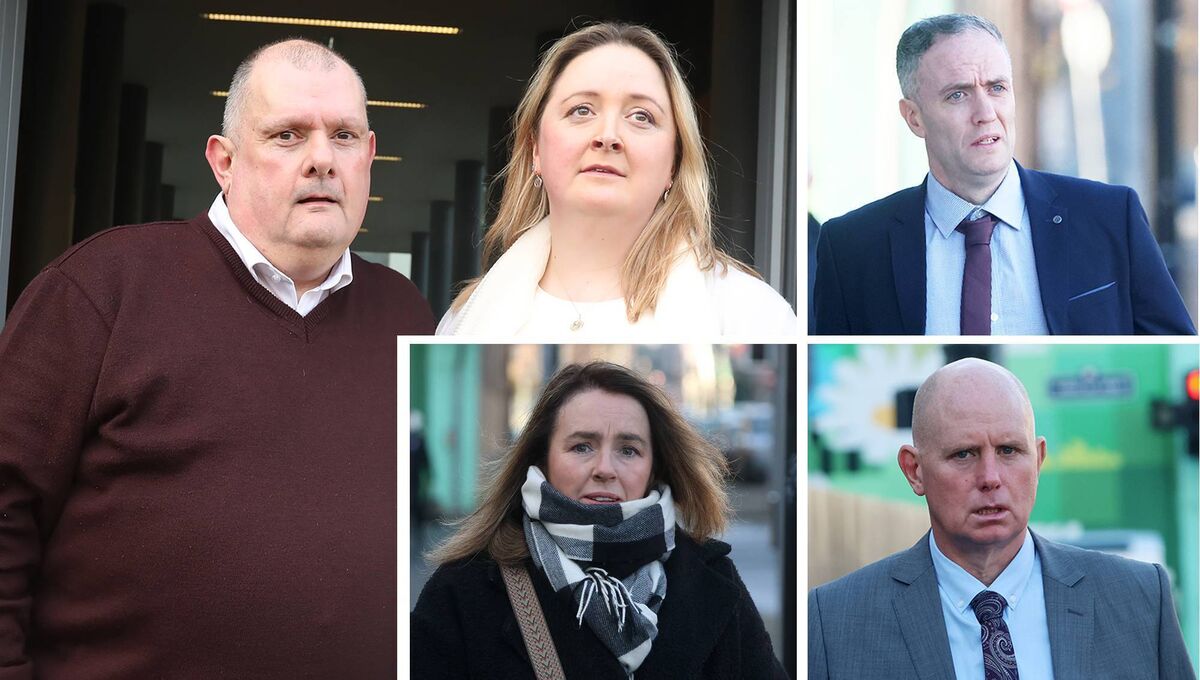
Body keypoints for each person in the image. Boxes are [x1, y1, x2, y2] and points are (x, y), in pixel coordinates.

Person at [0, 39, 433, 677]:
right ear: (223, 162)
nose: (322, 159)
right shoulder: (104, 288)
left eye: (344, 136)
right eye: (288, 135)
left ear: (370, 156)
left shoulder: (405, 314)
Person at [808, 358, 1195, 679]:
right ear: (914, 471)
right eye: (964, 454)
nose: (990, 478)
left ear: (1038, 460)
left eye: (1009, 450)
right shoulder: (834, 622)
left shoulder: (1141, 598)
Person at [813, 13, 1195, 336]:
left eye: (997, 88)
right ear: (914, 117)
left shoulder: (1111, 216)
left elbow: (1176, 348)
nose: (985, 112)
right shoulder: (850, 247)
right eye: (957, 95)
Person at [411, 361, 788, 678]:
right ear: (541, 460)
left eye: (628, 449)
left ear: (655, 466)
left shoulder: (714, 581)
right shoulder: (464, 588)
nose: (605, 469)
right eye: (582, 446)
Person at [437, 22, 796, 337]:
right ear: (535, 149)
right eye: (581, 110)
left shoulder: (752, 316)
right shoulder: (462, 320)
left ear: (674, 161)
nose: (608, 135)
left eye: (641, 116)